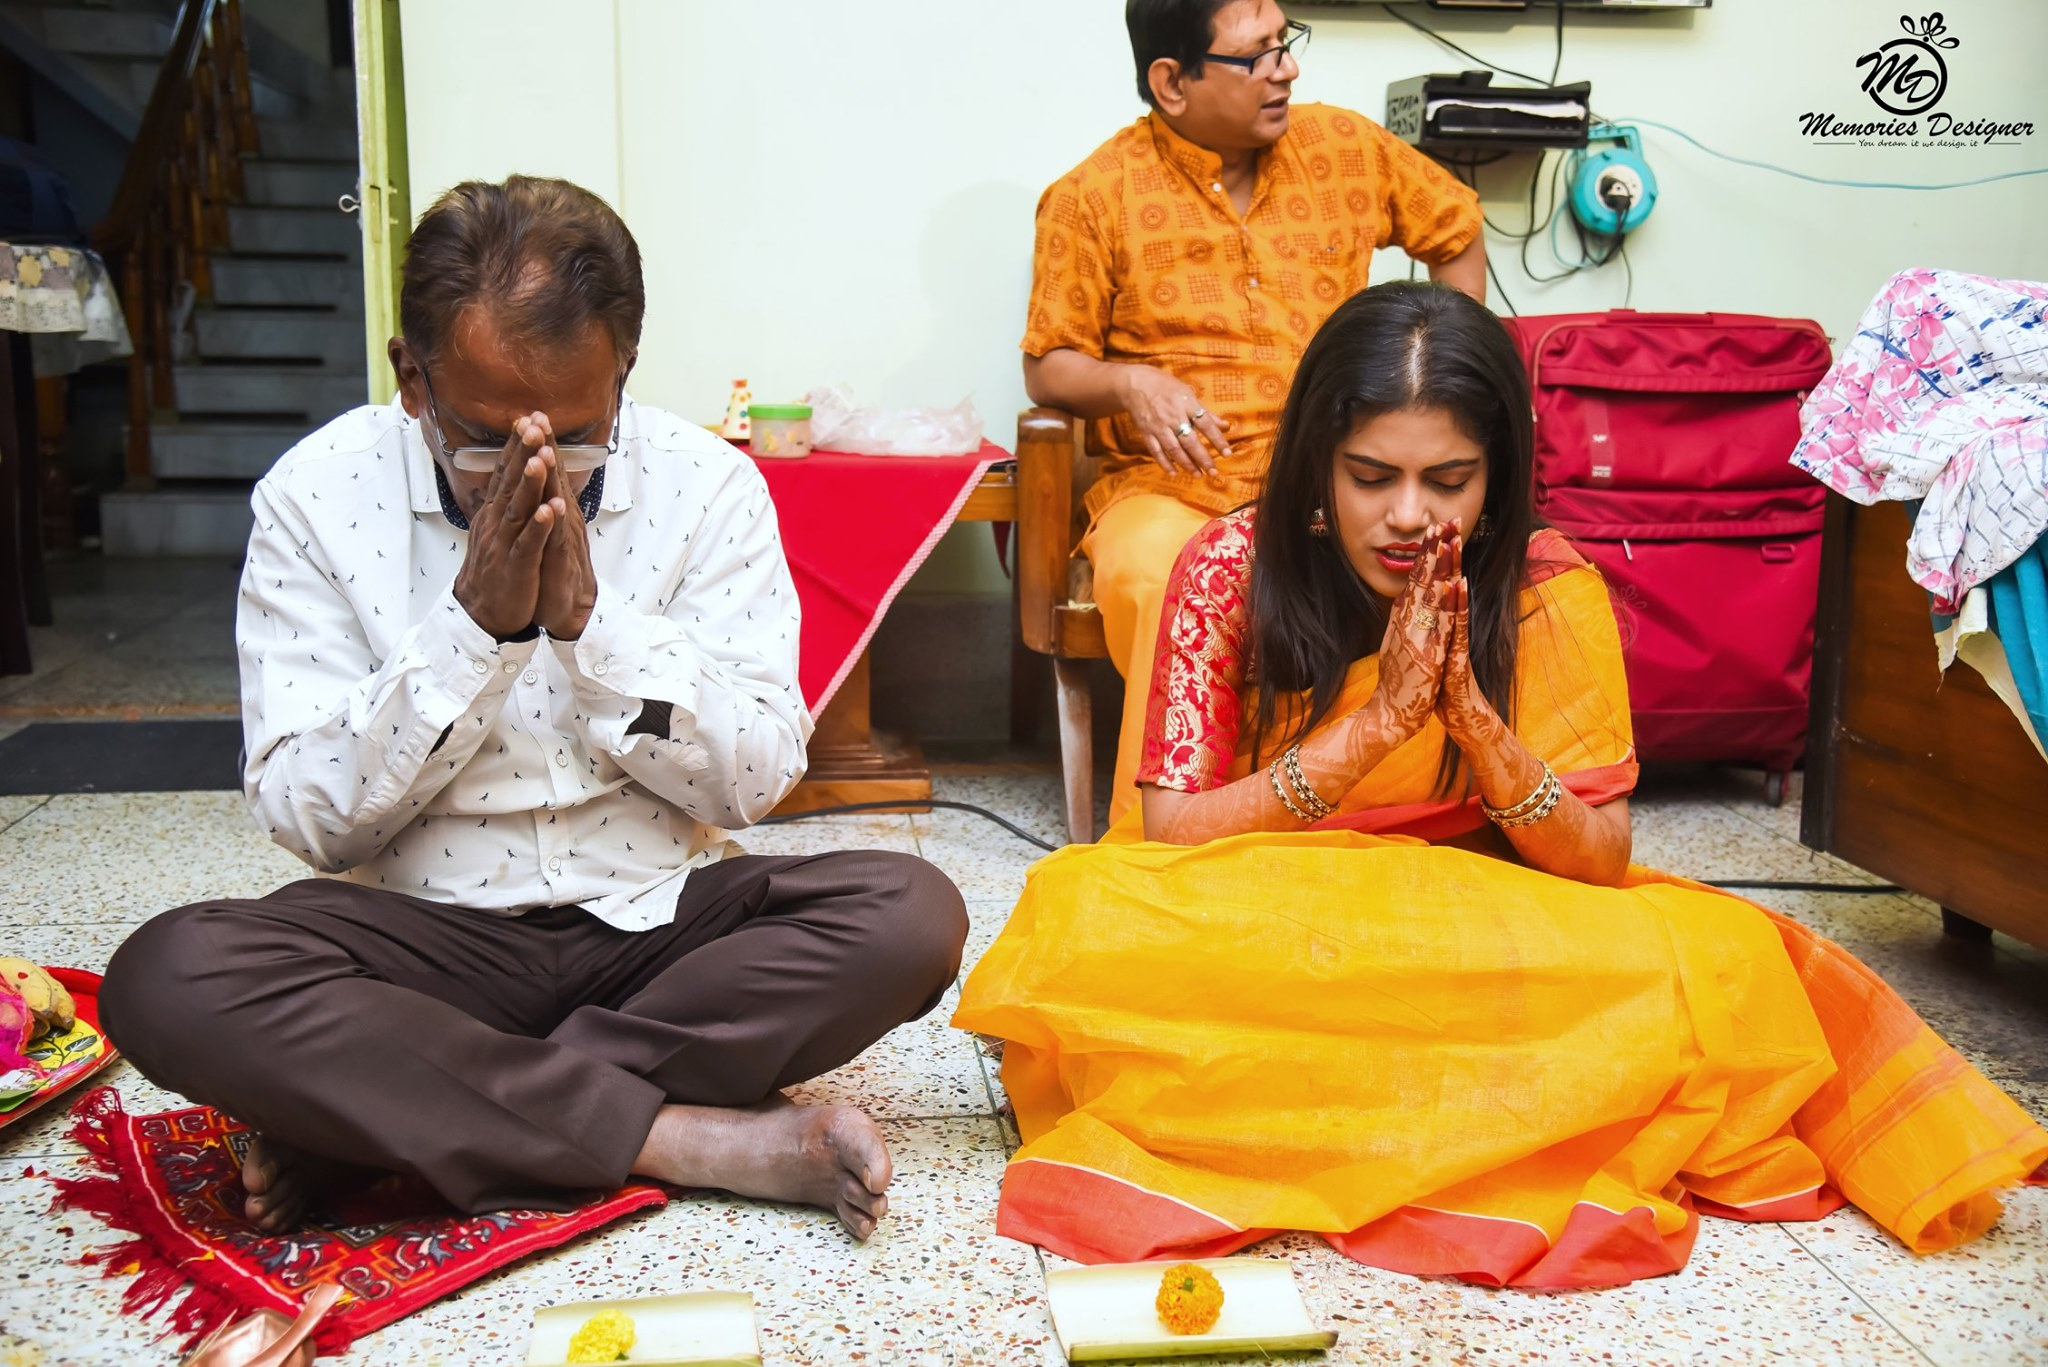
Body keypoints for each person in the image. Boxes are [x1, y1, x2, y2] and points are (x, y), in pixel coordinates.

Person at [955, 283, 2045, 1285]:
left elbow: (1597, 859)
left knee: (1724, 957)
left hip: (1471, 926)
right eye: (1371, 477)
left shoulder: (1541, 582)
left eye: (1449, 480)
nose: (1408, 515)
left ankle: (1337, 1098)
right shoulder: (1228, 569)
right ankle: (1461, 1100)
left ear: (1499, 473)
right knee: (1080, 910)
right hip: (1271, 917)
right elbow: (1175, 833)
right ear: (1316, 471)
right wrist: (1372, 729)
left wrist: (1473, 724)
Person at [100, 176, 967, 1242]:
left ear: (625, 369)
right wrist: (468, 638)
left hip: (653, 929)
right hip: (420, 947)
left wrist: (596, 639)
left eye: (581, 437)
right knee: (170, 976)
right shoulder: (315, 496)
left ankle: (380, 1118)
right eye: (482, 443)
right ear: (409, 377)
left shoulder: (710, 487)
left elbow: (751, 781)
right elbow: (308, 816)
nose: (538, 475)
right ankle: (689, 1136)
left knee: (910, 915)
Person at [1023, 0, 1487, 824]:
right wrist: (1131, 384)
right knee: (1163, 573)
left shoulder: (1345, 148)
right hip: (1170, 492)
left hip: (1335, 482)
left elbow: (1455, 230)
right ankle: (1162, 846)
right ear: (1172, 81)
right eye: (1256, 56)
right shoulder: (1090, 196)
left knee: (1461, 538)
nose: (1287, 70)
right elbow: (1047, 363)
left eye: (1286, 45)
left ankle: (1399, 809)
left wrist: (1451, 384)